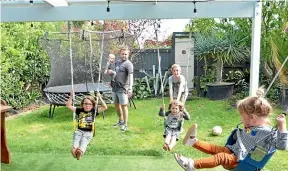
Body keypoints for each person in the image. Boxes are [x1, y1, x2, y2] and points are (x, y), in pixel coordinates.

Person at [174, 87, 288, 171]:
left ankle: (192, 165)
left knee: (221, 157)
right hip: (234, 153)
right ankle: (193, 142)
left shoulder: (269, 133)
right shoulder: (251, 127)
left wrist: (282, 126)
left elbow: (282, 146)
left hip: (242, 163)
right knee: (217, 149)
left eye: (242, 117)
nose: (241, 120)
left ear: (253, 117)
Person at [66, 89, 108, 160]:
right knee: (73, 150)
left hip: (88, 133)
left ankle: (80, 152)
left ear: (92, 105)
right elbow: (68, 106)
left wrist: (99, 97)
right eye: (85, 104)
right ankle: (76, 153)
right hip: (78, 131)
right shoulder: (79, 110)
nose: (87, 105)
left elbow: (105, 107)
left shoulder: (94, 111)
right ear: (82, 104)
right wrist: (71, 96)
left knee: (82, 146)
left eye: (89, 104)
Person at [107, 46, 134, 132]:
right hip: (114, 87)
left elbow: (131, 76)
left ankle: (125, 124)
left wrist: (130, 88)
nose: (124, 55)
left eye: (126, 54)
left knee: (124, 106)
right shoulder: (117, 62)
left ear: (128, 54)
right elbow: (115, 73)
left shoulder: (128, 64)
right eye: (123, 54)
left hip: (123, 88)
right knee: (116, 105)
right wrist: (111, 77)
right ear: (120, 54)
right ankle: (120, 121)